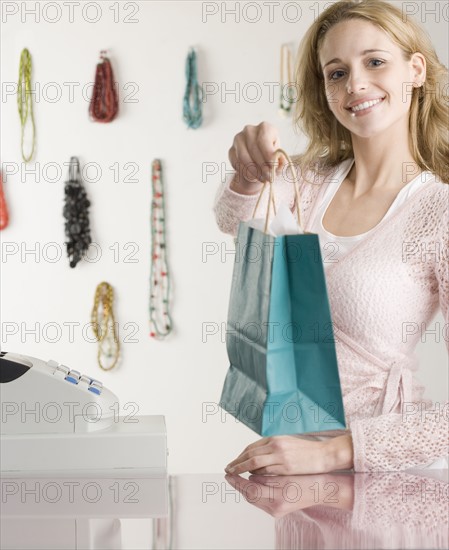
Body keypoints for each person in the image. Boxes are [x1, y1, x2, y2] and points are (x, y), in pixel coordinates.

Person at [213, 0, 448, 474]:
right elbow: (231, 219)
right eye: (336, 73)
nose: (355, 84)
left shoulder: (437, 213)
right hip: (291, 467)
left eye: (375, 62)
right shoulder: (307, 182)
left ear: (416, 70)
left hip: (385, 478)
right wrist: (244, 169)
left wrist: (330, 453)